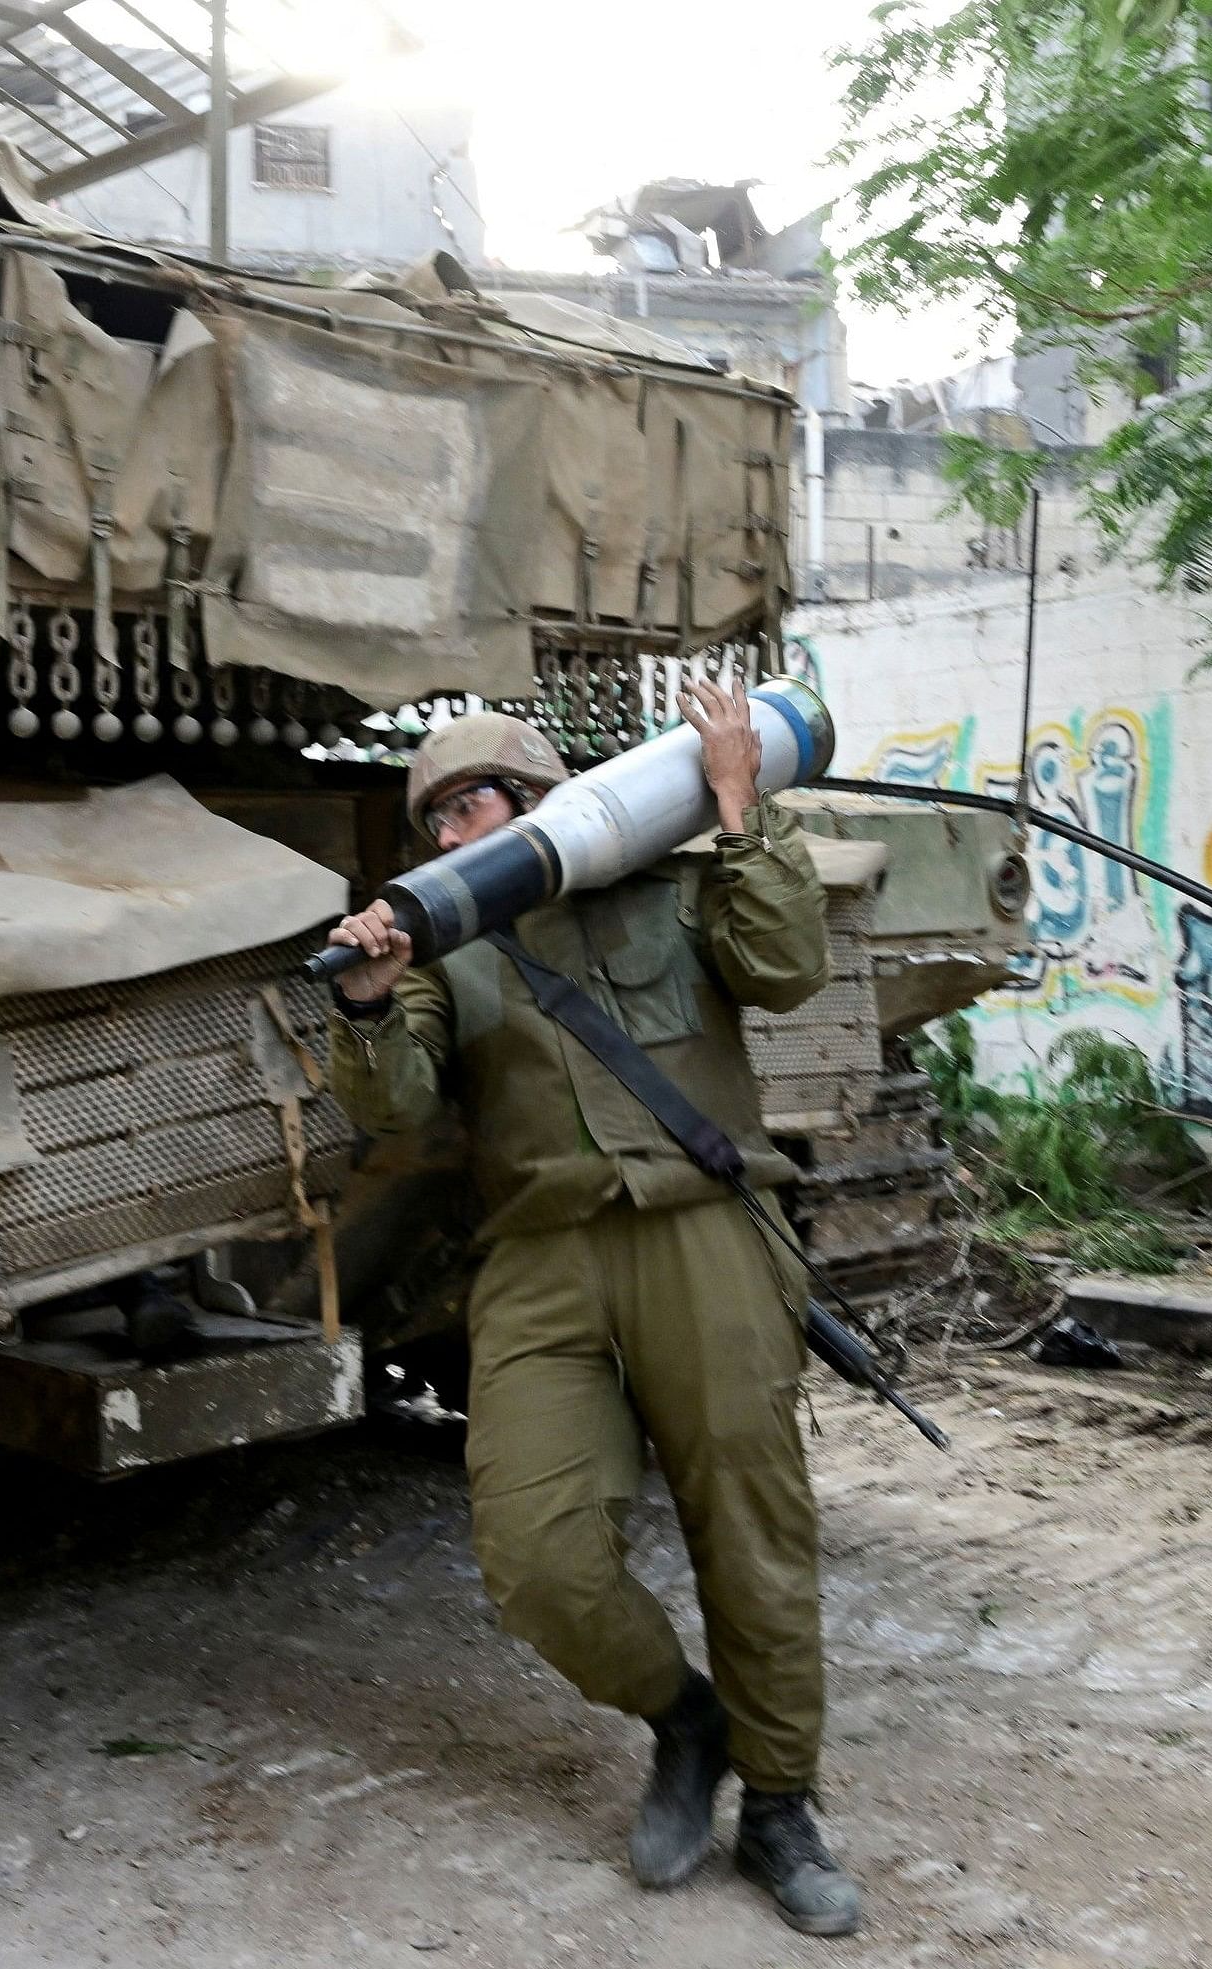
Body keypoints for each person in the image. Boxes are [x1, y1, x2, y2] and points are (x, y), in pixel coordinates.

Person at [319, 681, 860, 1937]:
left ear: (544, 797)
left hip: (701, 1229)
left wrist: (740, 816)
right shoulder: (449, 950)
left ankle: (779, 1806)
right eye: (438, 818)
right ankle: (688, 1720)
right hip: (541, 1258)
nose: (459, 832)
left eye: (480, 801)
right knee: (535, 1555)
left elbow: (784, 967)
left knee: (749, 1526)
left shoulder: (674, 889)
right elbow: (392, 1105)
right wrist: (363, 997)